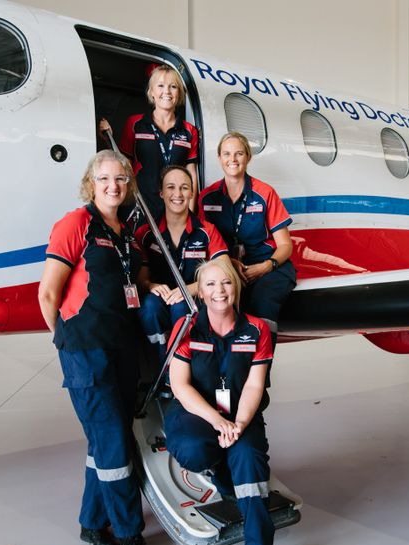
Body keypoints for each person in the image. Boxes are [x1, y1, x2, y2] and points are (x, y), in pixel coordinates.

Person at [37, 150, 152, 545]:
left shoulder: (126, 233)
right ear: (91, 182)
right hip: (86, 351)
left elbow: (137, 283)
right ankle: (129, 533)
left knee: (105, 441)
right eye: (105, 179)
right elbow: (48, 294)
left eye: (121, 179)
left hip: (121, 348)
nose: (113, 185)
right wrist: (66, 340)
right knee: (116, 443)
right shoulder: (75, 225)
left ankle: (90, 522)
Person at [165, 258, 284, 545]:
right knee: (192, 449)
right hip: (197, 412)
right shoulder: (186, 329)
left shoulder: (257, 329)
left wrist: (239, 423)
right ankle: (217, 467)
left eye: (227, 283)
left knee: (250, 468)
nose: (220, 291)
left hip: (240, 412)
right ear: (200, 292)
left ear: (237, 286)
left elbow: (253, 386)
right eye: (211, 285)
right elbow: (181, 386)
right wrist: (218, 422)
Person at [197, 132, 296, 341]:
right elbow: (202, 243)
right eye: (226, 154)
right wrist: (227, 262)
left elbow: (285, 245)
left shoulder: (265, 193)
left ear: (248, 157)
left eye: (239, 154)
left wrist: (266, 266)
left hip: (269, 265)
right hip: (228, 266)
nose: (232, 160)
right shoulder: (206, 197)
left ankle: (261, 363)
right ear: (219, 158)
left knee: (262, 301)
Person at [137, 165, 228, 361]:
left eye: (184, 187)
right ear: (161, 193)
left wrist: (190, 290)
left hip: (193, 299)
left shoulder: (207, 230)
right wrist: (151, 286)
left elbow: (225, 271)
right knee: (150, 306)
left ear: (192, 192)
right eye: (171, 187)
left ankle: (179, 368)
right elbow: (140, 279)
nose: (177, 194)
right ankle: (162, 366)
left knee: (181, 308)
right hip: (159, 302)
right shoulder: (145, 232)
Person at [100, 64, 200, 220]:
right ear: (152, 92)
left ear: (179, 93)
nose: (166, 91)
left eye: (173, 86)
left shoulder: (189, 131)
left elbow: (191, 174)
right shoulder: (135, 123)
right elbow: (122, 165)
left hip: (174, 207)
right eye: (160, 86)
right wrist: (108, 139)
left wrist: (191, 215)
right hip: (140, 205)